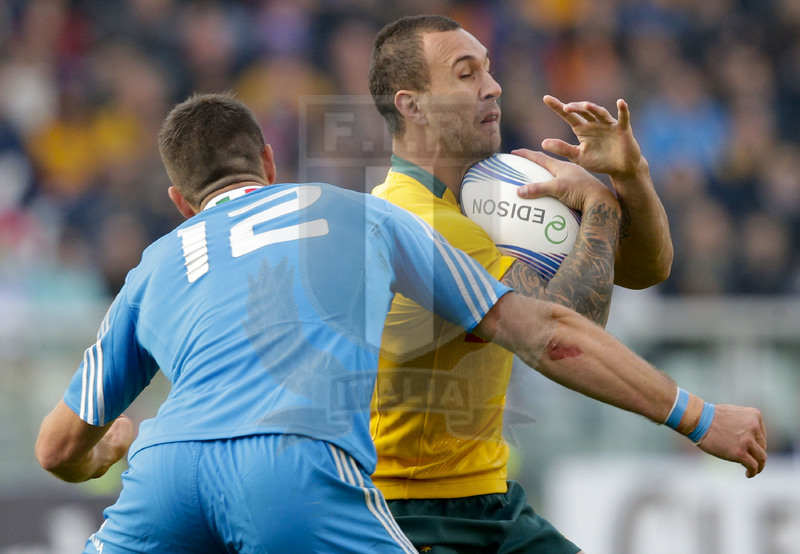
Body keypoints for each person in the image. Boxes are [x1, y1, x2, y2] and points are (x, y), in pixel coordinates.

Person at [33, 95, 764, 554]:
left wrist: (110, 451)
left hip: (165, 476)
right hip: (294, 468)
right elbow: (547, 331)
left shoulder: (154, 264)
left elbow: (58, 446)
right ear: (268, 161)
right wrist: (697, 416)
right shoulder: (364, 215)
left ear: (179, 199)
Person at [366, 14, 673, 553]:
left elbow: (646, 270)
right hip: (413, 509)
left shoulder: (498, 197)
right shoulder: (412, 217)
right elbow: (566, 325)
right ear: (411, 105)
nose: (493, 85)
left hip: (487, 497)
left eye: (487, 68)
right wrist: (599, 204)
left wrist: (630, 177)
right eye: (466, 74)